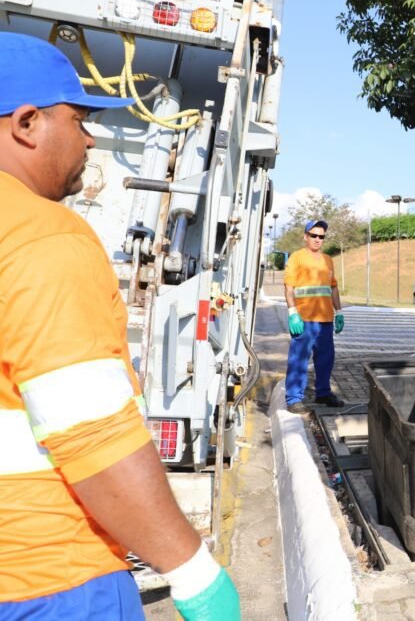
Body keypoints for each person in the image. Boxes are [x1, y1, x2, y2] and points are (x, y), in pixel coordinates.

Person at [0, 33, 240, 619]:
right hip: (47, 575)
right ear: (28, 123)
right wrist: (192, 571)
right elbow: (90, 430)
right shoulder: (40, 235)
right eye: (79, 119)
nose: (89, 138)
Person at [283, 220, 346, 413]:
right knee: (299, 359)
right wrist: (293, 312)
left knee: (326, 359)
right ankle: (294, 398)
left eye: (321, 236)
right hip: (304, 320)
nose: (318, 239)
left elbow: (333, 287)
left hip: (325, 320)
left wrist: (339, 311)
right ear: (306, 236)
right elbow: (289, 287)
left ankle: (323, 393)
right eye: (314, 235)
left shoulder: (328, 260)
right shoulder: (297, 258)